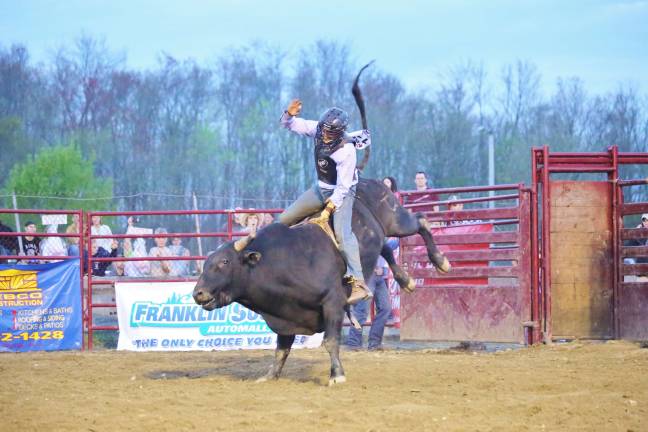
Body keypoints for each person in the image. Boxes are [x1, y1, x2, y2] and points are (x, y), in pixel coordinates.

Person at [279, 98, 373, 304]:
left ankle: (358, 282)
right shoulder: (317, 130)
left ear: (339, 133)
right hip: (321, 187)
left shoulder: (346, 150)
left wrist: (328, 209)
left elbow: (343, 187)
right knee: (283, 220)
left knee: (342, 233)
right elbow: (290, 125)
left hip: (342, 191)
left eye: (330, 132)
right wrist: (289, 113)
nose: (324, 135)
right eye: (323, 129)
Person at [345, 255, 392, 351]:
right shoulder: (365, 241)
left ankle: (374, 343)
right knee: (362, 310)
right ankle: (353, 343)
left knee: (385, 308)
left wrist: (383, 270)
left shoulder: (382, 242)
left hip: (379, 275)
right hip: (366, 275)